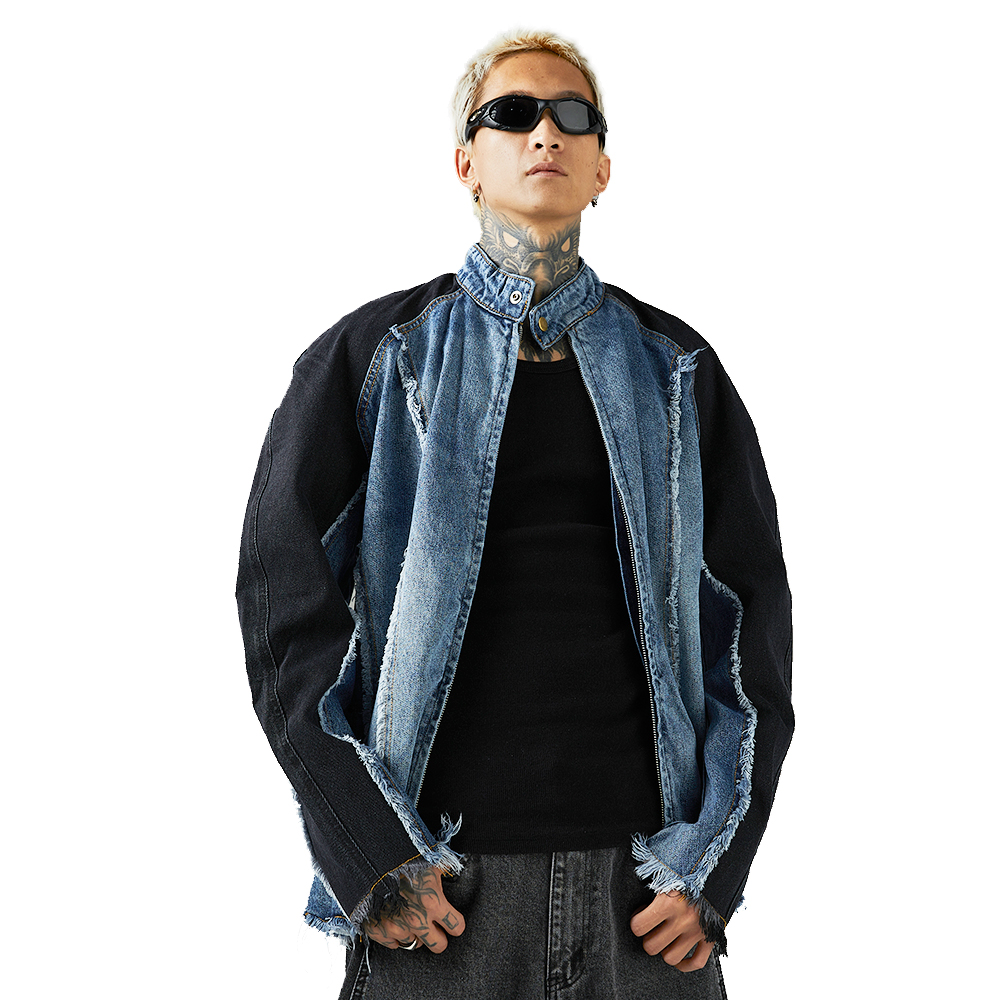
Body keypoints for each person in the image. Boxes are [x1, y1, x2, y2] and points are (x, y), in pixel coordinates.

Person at [237, 30, 793, 999]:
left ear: (602, 168)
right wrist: (367, 847)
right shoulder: (376, 358)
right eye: (512, 114)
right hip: (440, 897)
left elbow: (750, 635)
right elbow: (283, 611)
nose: (546, 132)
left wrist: (713, 864)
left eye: (573, 116)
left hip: (643, 900)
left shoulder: (676, 372)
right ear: (466, 161)